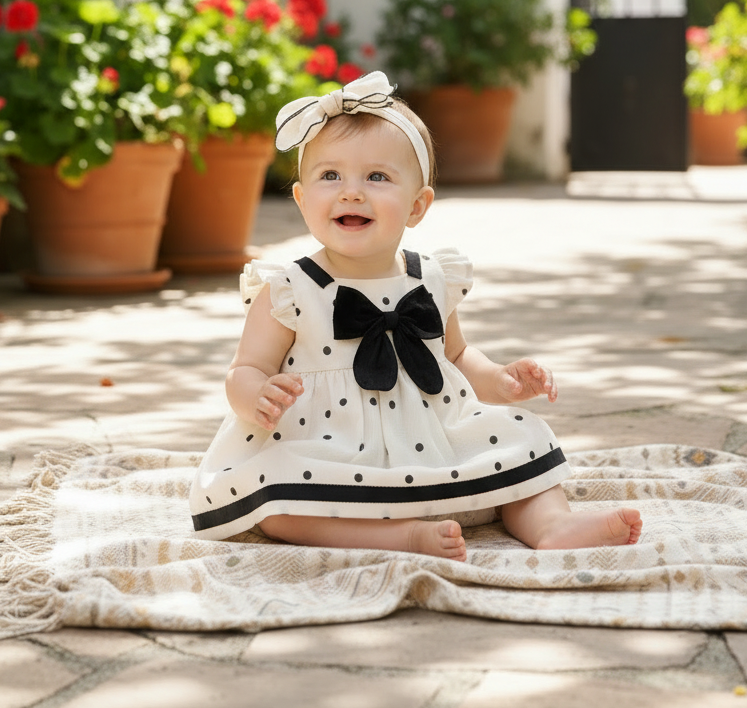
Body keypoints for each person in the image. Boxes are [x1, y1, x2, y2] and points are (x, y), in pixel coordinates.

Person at [190, 72, 642, 560]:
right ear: (302, 199)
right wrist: (256, 394)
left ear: (417, 205)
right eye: (330, 176)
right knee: (277, 501)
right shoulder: (288, 291)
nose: (351, 192)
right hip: (326, 444)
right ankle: (401, 536)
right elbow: (245, 368)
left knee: (521, 434)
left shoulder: (431, 278)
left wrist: (501, 380)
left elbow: (457, 356)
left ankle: (552, 525)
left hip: (431, 435)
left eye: (377, 177)